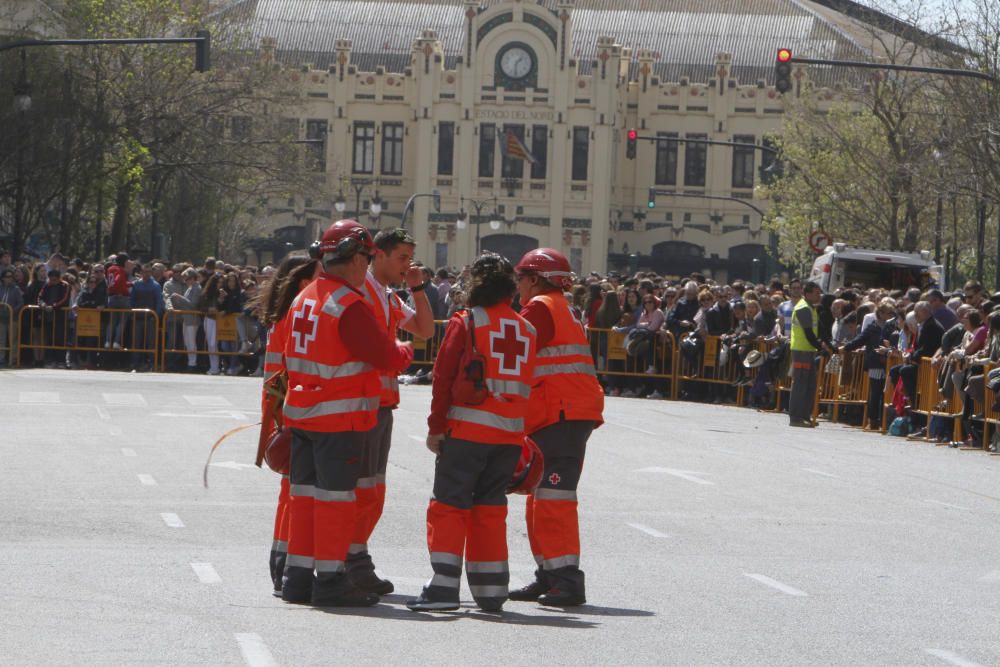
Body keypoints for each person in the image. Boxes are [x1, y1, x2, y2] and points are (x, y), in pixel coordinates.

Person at [280, 220, 413, 608]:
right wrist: (403, 349)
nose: (366, 267)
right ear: (356, 260)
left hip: (302, 413)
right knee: (337, 501)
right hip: (338, 419)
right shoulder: (348, 304)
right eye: (366, 259)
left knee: (303, 497)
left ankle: (297, 578)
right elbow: (386, 356)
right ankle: (332, 581)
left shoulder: (304, 297)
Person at [406, 253, 536, 613]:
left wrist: (435, 428)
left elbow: (444, 378)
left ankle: (444, 589)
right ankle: (491, 589)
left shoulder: (468, 322)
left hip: (467, 432)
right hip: (509, 437)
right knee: (490, 510)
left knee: (448, 506)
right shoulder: (527, 329)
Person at [509, 248, 604, 607]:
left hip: (559, 414)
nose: (518, 285)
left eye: (520, 278)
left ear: (534, 278)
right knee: (541, 497)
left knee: (554, 499)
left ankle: (566, 579)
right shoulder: (562, 306)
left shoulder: (539, 307)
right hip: (561, 413)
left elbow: (517, 351)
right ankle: (549, 575)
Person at [350, 228, 435, 595]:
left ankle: (355, 557)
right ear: (378, 255)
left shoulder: (385, 294)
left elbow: (425, 329)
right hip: (363, 401)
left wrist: (417, 288)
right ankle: (351, 560)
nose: (408, 265)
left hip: (381, 403)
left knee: (372, 489)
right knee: (362, 489)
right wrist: (396, 353)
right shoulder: (365, 292)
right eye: (402, 257)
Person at [254, 255, 317, 596]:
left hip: (282, 409)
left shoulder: (284, 316)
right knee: (296, 495)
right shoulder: (294, 317)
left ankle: (282, 561)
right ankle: (287, 563)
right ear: (301, 282)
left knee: (290, 496)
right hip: (291, 411)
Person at [788, 281, 829, 427]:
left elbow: (816, 332)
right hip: (801, 351)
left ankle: (805, 415)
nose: (819, 295)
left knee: (810, 384)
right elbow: (808, 333)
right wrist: (820, 347)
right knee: (800, 384)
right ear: (808, 293)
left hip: (808, 350)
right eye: (817, 293)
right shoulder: (803, 308)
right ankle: (796, 417)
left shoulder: (811, 308)